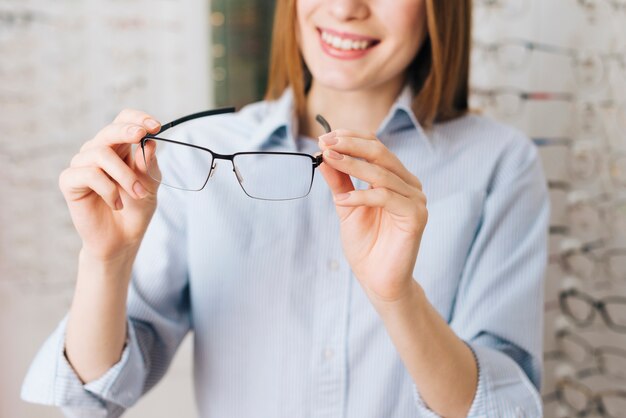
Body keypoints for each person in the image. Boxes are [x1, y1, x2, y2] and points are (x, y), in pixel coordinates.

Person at [22, 0, 549, 417]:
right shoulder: (196, 159)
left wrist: (397, 296)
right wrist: (105, 259)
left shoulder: (499, 163)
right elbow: (91, 397)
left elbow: (504, 410)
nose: (345, 8)